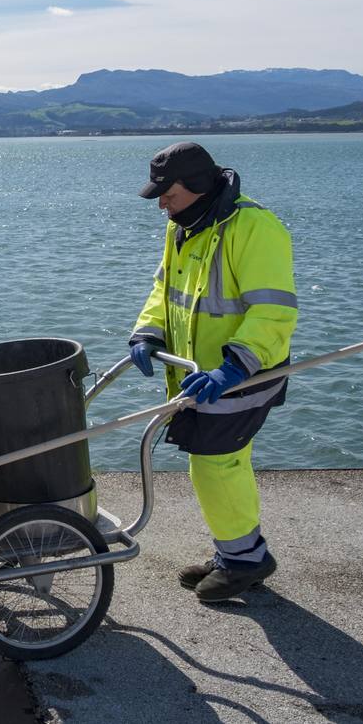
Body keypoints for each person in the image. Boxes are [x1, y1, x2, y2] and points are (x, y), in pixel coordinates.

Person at [129, 142, 298, 602]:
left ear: (199, 187)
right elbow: (164, 288)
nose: (162, 203)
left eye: (169, 194)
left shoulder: (255, 228)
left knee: (215, 463)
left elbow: (273, 313)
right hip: (198, 373)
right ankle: (238, 552)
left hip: (243, 374)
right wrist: (147, 332)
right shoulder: (184, 227)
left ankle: (245, 560)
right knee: (222, 462)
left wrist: (234, 367)